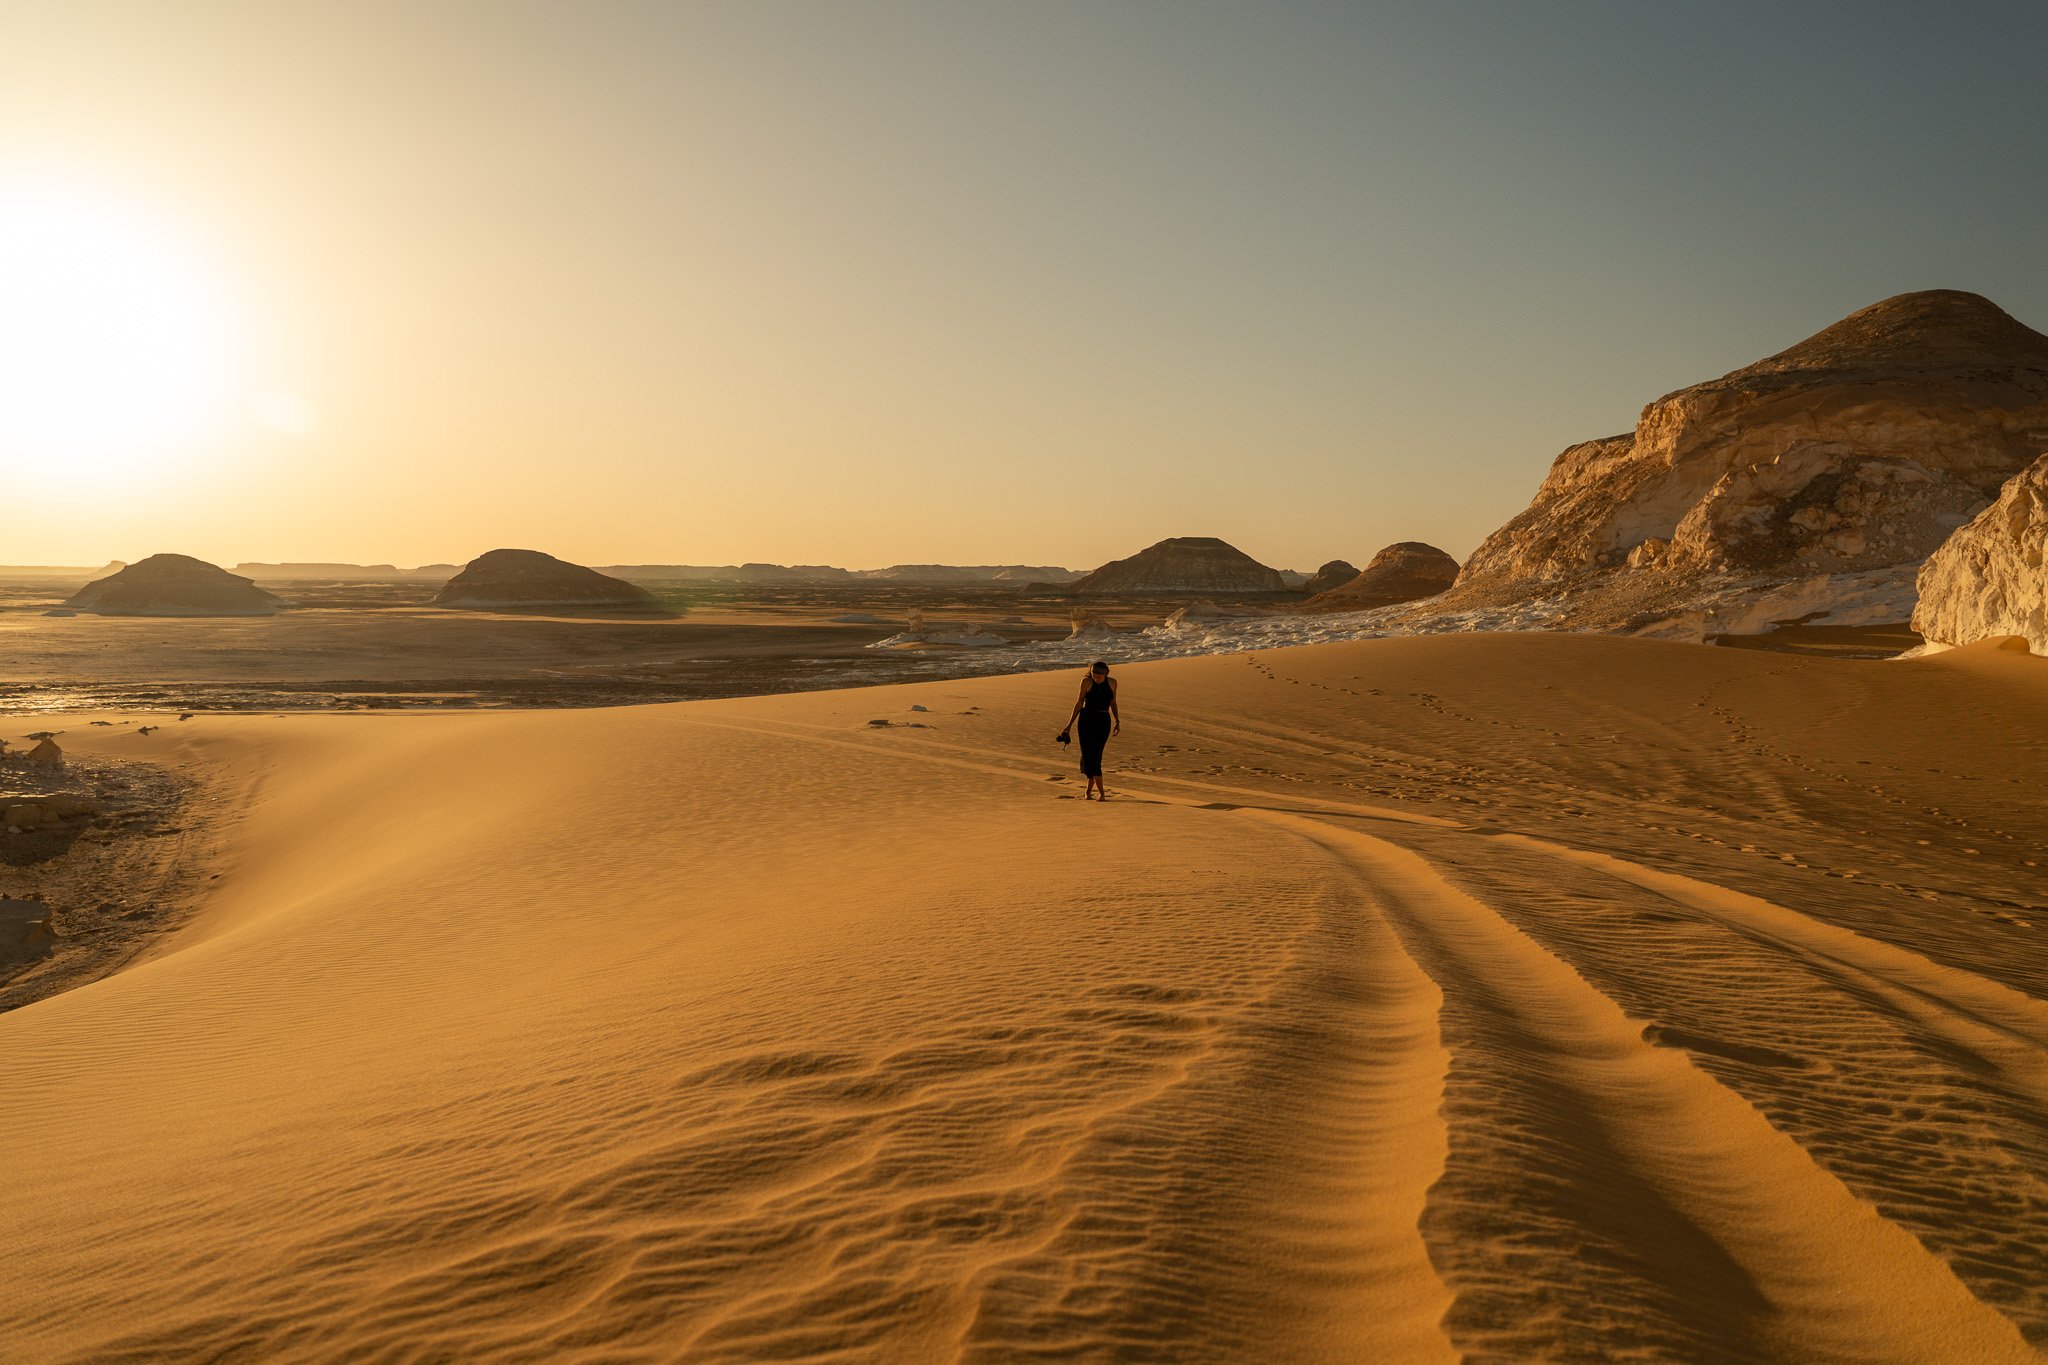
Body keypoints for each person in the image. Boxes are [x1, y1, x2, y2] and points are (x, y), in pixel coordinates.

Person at [1057, 660, 1120, 800]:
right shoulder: (1086, 682)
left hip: (1104, 721)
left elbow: (1113, 702)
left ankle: (1088, 791)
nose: (1096, 678)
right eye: (1093, 675)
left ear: (1106, 674)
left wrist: (1117, 721)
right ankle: (1102, 793)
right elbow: (1079, 702)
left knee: (1096, 755)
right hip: (1086, 721)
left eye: (1099, 676)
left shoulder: (1112, 683)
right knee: (1090, 755)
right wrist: (1069, 725)